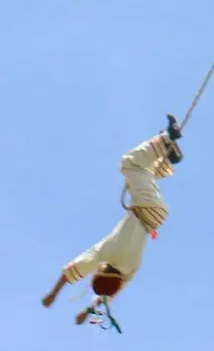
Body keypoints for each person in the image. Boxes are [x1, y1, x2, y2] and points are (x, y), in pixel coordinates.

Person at [41, 116, 184, 329]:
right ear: (101, 271)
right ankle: (166, 139)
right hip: (145, 208)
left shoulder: (129, 271)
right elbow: (69, 272)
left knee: (144, 174)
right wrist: (53, 294)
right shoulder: (104, 253)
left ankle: (166, 154)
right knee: (130, 163)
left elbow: (108, 297)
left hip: (157, 217)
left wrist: (85, 311)